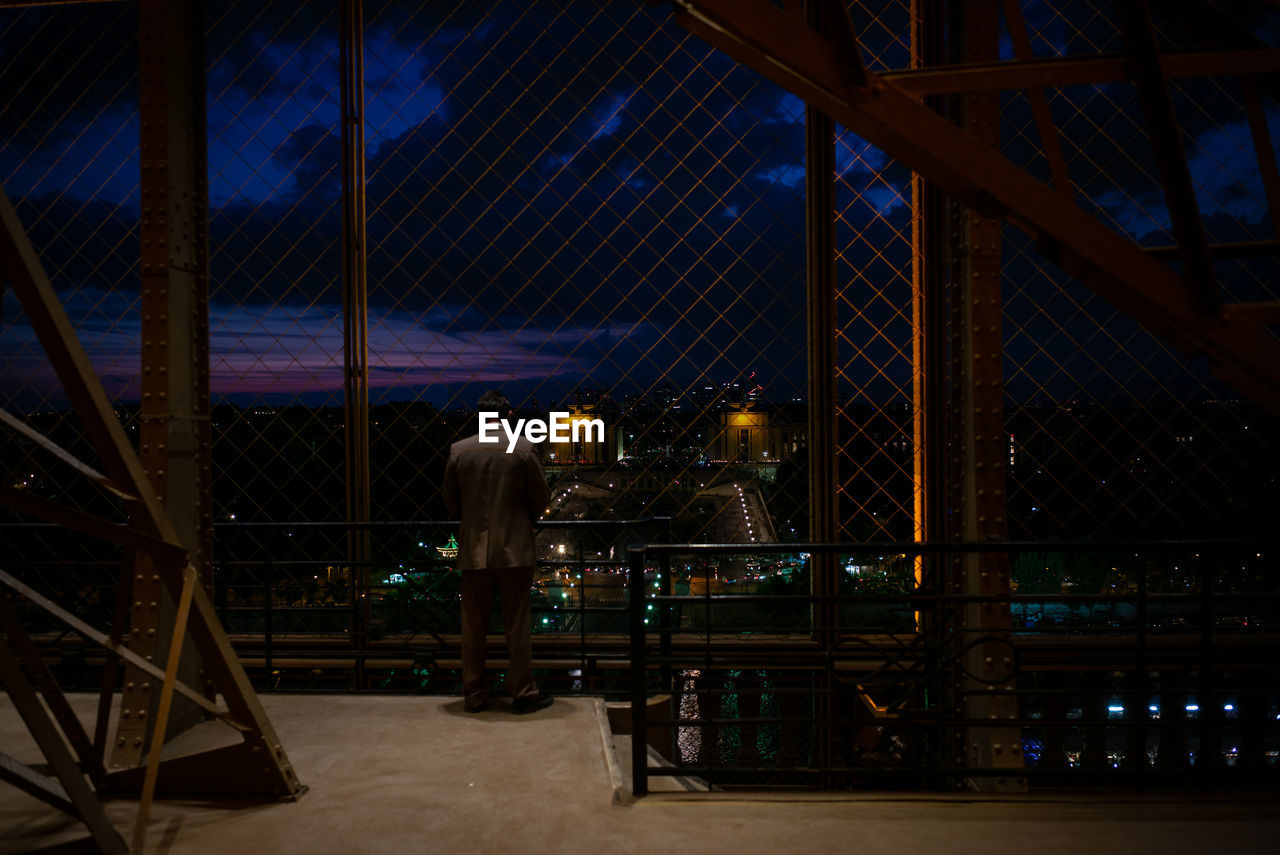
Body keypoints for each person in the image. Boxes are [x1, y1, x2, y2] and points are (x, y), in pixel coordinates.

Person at [443, 390, 553, 714]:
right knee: (516, 623)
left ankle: (474, 692)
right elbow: (541, 497)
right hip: (514, 549)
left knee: (473, 625)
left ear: (479, 417)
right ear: (508, 415)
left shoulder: (459, 451)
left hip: (474, 550)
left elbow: (451, 501)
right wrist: (527, 520)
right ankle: (522, 691)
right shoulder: (522, 448)